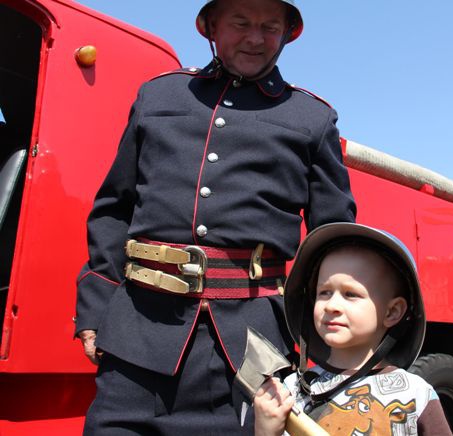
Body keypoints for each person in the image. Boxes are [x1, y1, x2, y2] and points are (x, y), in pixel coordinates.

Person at [74, 0, 356, 433]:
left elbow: (334, 240)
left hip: (250, 351)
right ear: (211, 26)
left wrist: (331, 340)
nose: (256, 38)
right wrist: (95, 310)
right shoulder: (158, 96)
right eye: (241, 23)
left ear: (286, 34)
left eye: (270, 27)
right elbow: (114, 208)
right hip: (137, 336)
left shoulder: (312, 119)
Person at [254, 223, 452, 436]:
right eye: (324, 293)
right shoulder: (290, 391)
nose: (331, 306)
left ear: (392, 312)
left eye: (350, 294)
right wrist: (266, 431)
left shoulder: (415, 396)